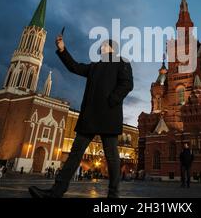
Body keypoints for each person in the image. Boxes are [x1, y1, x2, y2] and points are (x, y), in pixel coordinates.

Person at [29, 36, 133, 198]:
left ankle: (113, 196)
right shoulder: (95, 66)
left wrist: (112, 100)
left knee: (112, 157)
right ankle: (55, 193)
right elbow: (74, 67)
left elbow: (127, 84)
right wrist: (62, 49)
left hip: (108, 116)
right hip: (89, 117)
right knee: (75, 154)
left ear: (113, 49)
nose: (102, 48)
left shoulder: (122, 63)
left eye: (105, 46)